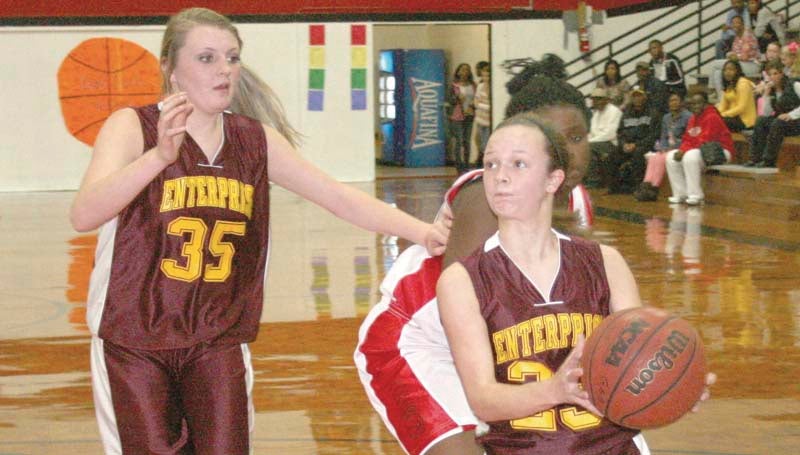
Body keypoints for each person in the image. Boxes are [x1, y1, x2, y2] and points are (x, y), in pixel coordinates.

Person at [69, 8, 450, 454]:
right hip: (134, 341)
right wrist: (157, 158)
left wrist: (423, 232)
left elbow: (336, 196)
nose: (224, 69)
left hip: (217, 338)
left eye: (231, 57)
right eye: (207, 58)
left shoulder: (254, 140)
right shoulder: (134, 126)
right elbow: (84, 214)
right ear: (171, 70)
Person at [355, 57, 596, 455]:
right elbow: (462, 308)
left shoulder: (577, 201)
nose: (567, 153)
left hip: (503, 346)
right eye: (552, 140)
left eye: (576, 138)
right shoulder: (486, 195)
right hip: (420, 343)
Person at [436, 112, 713, 454]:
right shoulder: (462, 280)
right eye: (491, 164)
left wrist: (675, 384)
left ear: (553, 180)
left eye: (518, 164)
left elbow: (643, 350)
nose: (500, 177)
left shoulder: (605, 263)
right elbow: (483, 400)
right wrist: (555, 390)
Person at [666, 90, 735, 206]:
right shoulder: (693, 118)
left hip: (720, 152)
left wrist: (684, 151)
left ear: (705, 104)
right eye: (692, 104)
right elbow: (687, 138)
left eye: (698, 103)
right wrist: (681, 150)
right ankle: (680, 193)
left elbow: (706, 140)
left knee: (690, 156)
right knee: (670, 157)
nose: (695, 106)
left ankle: (695, 195)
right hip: (701, 151)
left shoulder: (712, 116)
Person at [635, 92, 692, 202]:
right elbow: (663, 136)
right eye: (671, 101)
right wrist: (663, 147)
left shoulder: (688, 117)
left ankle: (654, 188)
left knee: (661, 158)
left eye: (676, 100)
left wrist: (673, 147)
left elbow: (688, 138)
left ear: (682, 102)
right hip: (668, 147)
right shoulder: (666, 117)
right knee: (654, 157)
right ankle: (646, 186)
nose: (673, 103)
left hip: (681, 147)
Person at [746, 59, 800, 167]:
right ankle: (755, 158)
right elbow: (767, 113)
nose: (772, 77)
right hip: (783, 122)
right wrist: (766, 94)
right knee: (761, 120)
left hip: (796, 121)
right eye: (770, 74)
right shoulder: (772, 90)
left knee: (777, 123)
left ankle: (769, 160)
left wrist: (791, 115)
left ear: (782, 73)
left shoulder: (795, 84)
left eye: (775, 73)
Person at [610, 85, 660, 194]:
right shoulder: (626, 113)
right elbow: (620, 133)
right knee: (612, 154)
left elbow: (654, 135)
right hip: (627, 144)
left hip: (645, 145)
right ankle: (615, 187)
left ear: (645, 97)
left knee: (638, 154)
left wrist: (636, 144)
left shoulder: (653, 113)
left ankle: (637, 187)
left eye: (639, 96)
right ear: (631, 98)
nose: (637, 98)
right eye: (634, 96)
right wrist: (623, 144)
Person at [709, 15, 760, 100]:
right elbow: (733, 53)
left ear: (743, 24)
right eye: (733, 23)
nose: (735, 25)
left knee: (714, 64)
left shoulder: (748, 35)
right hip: (741, 63)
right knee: (717, 72)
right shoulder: (737, 37)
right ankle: (721, 97)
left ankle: (711, 89)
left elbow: (744, 56)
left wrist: (734, 56)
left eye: (738, 23)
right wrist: (730, 55)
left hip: (752, 65)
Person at [586, 87, 623, 189]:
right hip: (597, 142)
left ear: (606, 100)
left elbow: (610, 134)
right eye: (593, 99)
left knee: (588, 148)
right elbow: (592, 132)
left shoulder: (614, 111)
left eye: (598, 98)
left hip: (611, 143)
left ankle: (594, 181)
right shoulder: (596, 113)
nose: (595, 101)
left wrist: (589, 142)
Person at [448, 63, 477, 173]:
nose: (464, 72)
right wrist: (457, 98)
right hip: (457, 116)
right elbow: (450, 100)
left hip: (469, 114)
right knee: (459, 141)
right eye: (462, 70)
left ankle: (466, 164)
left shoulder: (473, 85)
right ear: (458, 72)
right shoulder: (454, 85)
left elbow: (477, 99)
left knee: (467, 141)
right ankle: (459, 165)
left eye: (467, 70)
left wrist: (472, 106)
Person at [717, 59, 757, 132]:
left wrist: (723, 114)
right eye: (725, 70)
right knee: (712, 120)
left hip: (745, 121)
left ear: (737, 71)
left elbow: (741, 107)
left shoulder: (743, 84)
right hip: (732, 117)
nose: (727, 72)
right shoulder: (729, 85)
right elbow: (723, 105)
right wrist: (716, 114)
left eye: (731, 69)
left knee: (719, 123)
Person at [474, 60, 492, 166]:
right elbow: (476, 101)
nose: (486, 78)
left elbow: (492, 106)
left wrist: (481, 105)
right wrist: (481, 105)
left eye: (488, 76)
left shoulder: (493, 88)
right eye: (484, 76)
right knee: (478, 141)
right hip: (479, 119)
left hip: (489, 121)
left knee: (486, 144)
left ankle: (485, 165)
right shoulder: (480, 86)